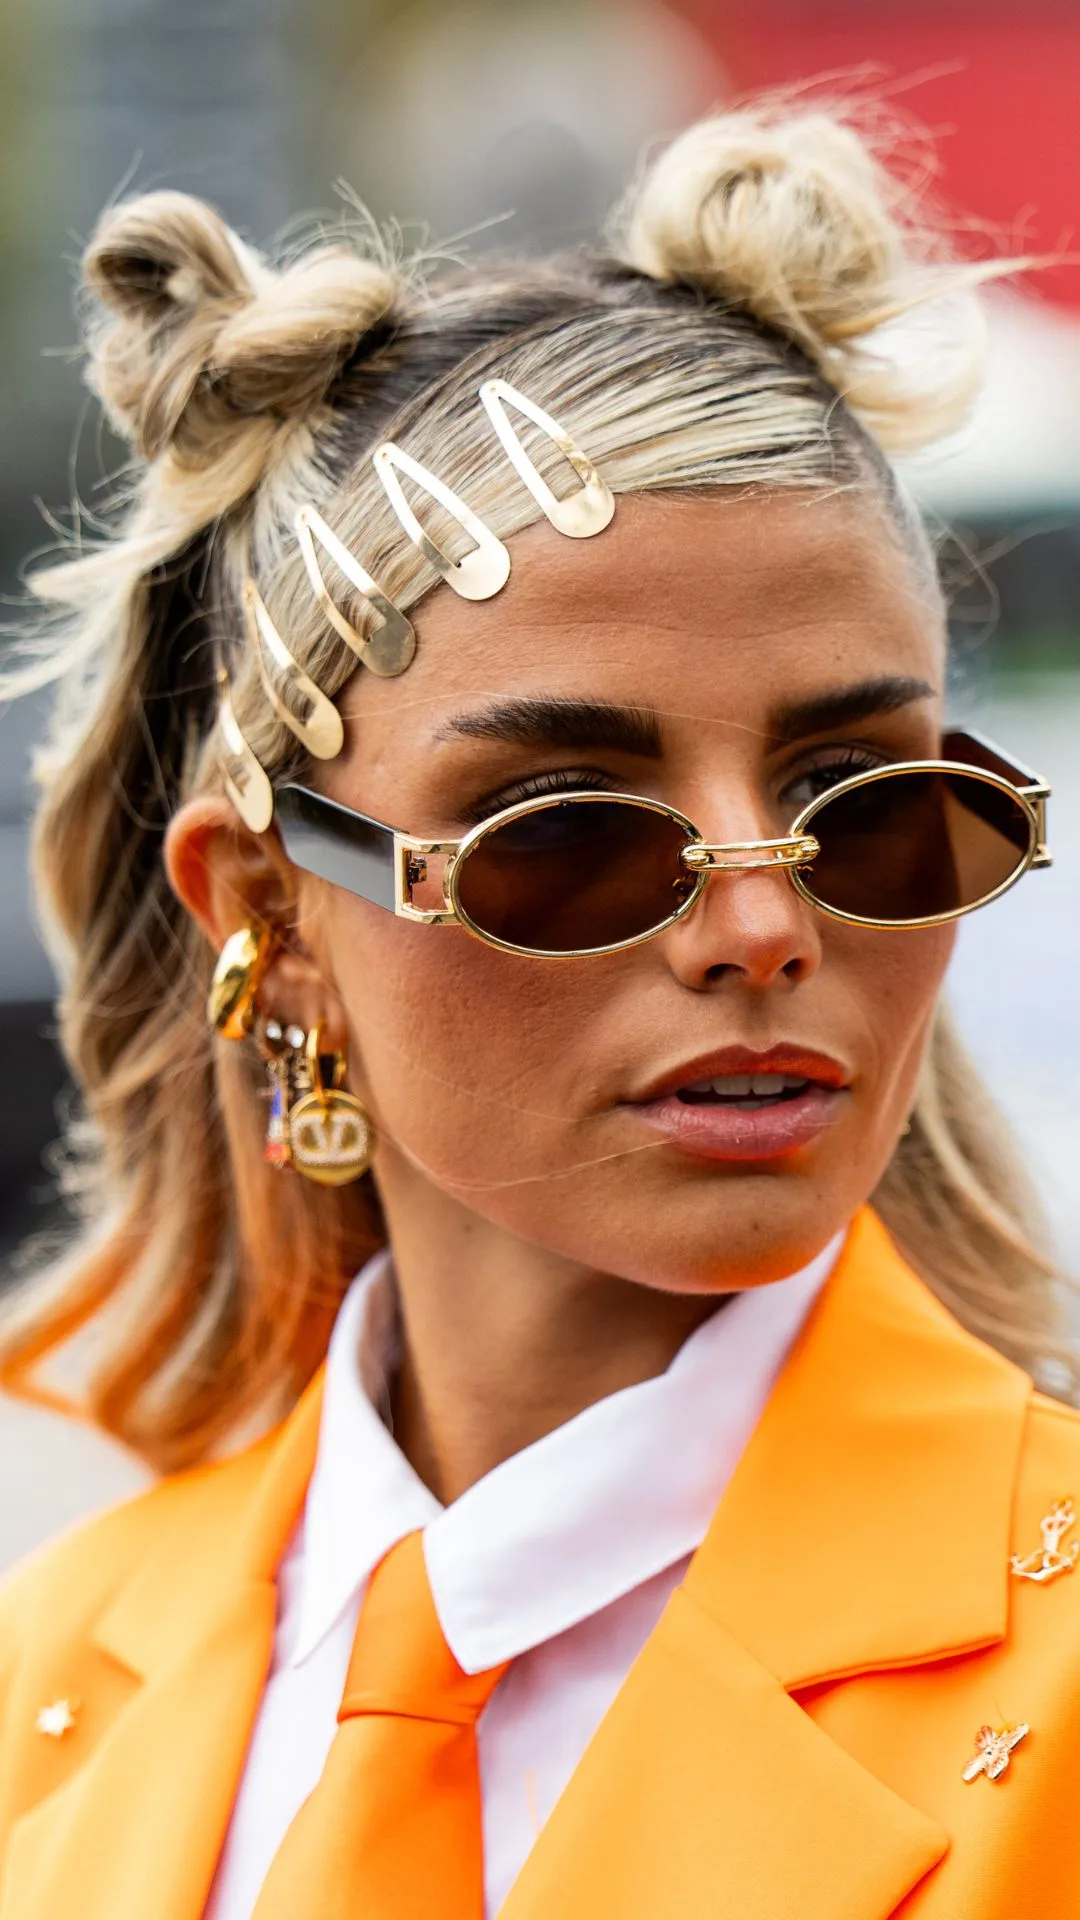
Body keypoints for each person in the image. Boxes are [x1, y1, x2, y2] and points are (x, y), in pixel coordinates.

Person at [0, 97, 1076, 1920]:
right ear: (268, 909)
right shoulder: (56, 1667)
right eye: (567, 833)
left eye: (871, 807)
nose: (762, 922)